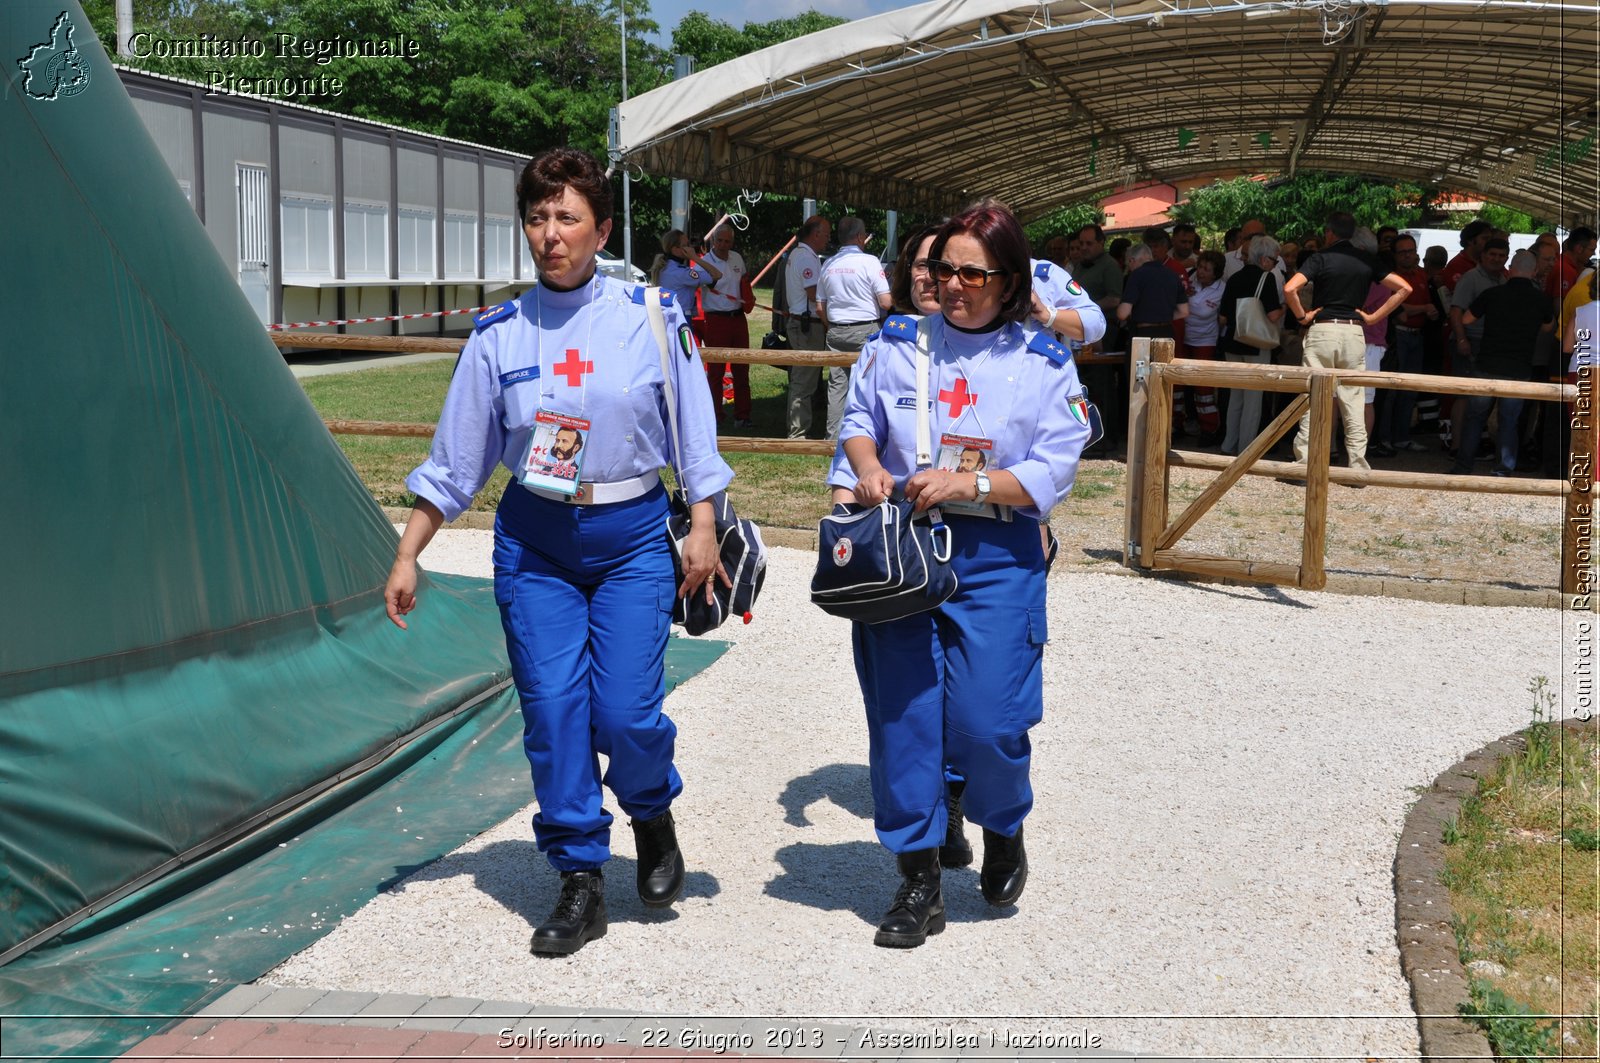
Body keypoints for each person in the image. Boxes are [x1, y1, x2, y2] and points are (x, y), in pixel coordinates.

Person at [384, 148, 733, 957]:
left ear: (601, 228)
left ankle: (650, 810)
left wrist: (704, 524)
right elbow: (456, 457)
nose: (551, 235)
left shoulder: (651, 316)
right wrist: (409, 553)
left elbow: (694, 431)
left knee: (626, 712)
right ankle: (580, 874)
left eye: (568, 217)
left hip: (632, 535)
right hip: (535, 541)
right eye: (538, 218)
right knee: (552, 709)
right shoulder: (500, 333)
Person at [826, 203, 1092, 948]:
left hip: (995, 555)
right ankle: (917, 878)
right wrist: (871, 467)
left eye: (973, 273)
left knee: (989, 722)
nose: (953, 285)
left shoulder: (1042, 360)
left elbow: (1054, 467)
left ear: (1009, 281)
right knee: (904, 719)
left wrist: (970, 486)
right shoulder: (899, 345)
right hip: (904, 550)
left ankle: (1002, 822)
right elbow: (857, 420)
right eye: (943, 269)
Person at [1284, 212, 1411, 476]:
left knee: (1312, 398)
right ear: (1352, 234)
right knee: (1353, 402)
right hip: (1354, 333)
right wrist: (1374, 317)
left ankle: (1303, 465)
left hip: (1322, 330)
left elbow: (1289, 289)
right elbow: (1404, 289)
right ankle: (1356, 467)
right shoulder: (1367, 260)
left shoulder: (1320, 258)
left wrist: (1302, 316)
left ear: (1329, 233)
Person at [1455, 249, 1555, 475]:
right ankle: (1503, 469)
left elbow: (1466, 319)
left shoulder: (1493, 293)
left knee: (1475, 417)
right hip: (1519, 368)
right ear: (1535, 271)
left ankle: (1463, 466)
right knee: (1509, 421)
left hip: (1486, 364)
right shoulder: (1541, 299)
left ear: (1509, 270)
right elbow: (1549, 327)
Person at [818, 216, 892, 439]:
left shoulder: (828, 264)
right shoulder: (870, 261)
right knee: (868, 383)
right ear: (860, 237)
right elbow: (886, 302)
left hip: (836, 330)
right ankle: (864, 437)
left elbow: (820, 306)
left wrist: (832, 325)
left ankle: (832, 437)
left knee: (836, 386)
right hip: (865, 330)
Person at [1216, 235, 1284, 456]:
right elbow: (1273, 315)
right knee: (1253, 400)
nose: (1275, 264)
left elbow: (1223, 318)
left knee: (1235, 397)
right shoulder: (1267, 278)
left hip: (1232, 342)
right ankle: (1246, 449)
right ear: (1264, 259)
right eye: (1274, 260)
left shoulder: (1234, 278)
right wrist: (1287, 306)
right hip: (1256, 343)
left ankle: (1228, 444)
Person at [700, 223, 755, 428]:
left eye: (727, 241)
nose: (723, 245)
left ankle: (743, 416)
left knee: (742, 367)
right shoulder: (704, 262)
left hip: (738, 318)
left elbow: (744, 285)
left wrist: (748, 299)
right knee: (716, 371)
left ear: (732, 242)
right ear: (713, 241)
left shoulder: (737, 258)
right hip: (716, 319)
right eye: (720, 241)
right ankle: (715, 416)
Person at [785, 215, 833, 438]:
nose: (828, 239)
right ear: (815, 234)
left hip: (802, 323)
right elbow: (814, 294)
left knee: (804, 379)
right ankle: (797, 433)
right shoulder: (806, 258)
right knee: (804, 381)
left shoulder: (800, 254)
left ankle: (799, 428)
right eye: (826, 234)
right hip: (807, 325)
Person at [649, 229, 719, 334]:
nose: (690, 248)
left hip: (667, 317)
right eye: (686, 245)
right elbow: (717, 275)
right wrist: (695, 257)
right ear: (675, 249)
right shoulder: (682, 273)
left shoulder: (665, 267)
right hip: (682, 318)